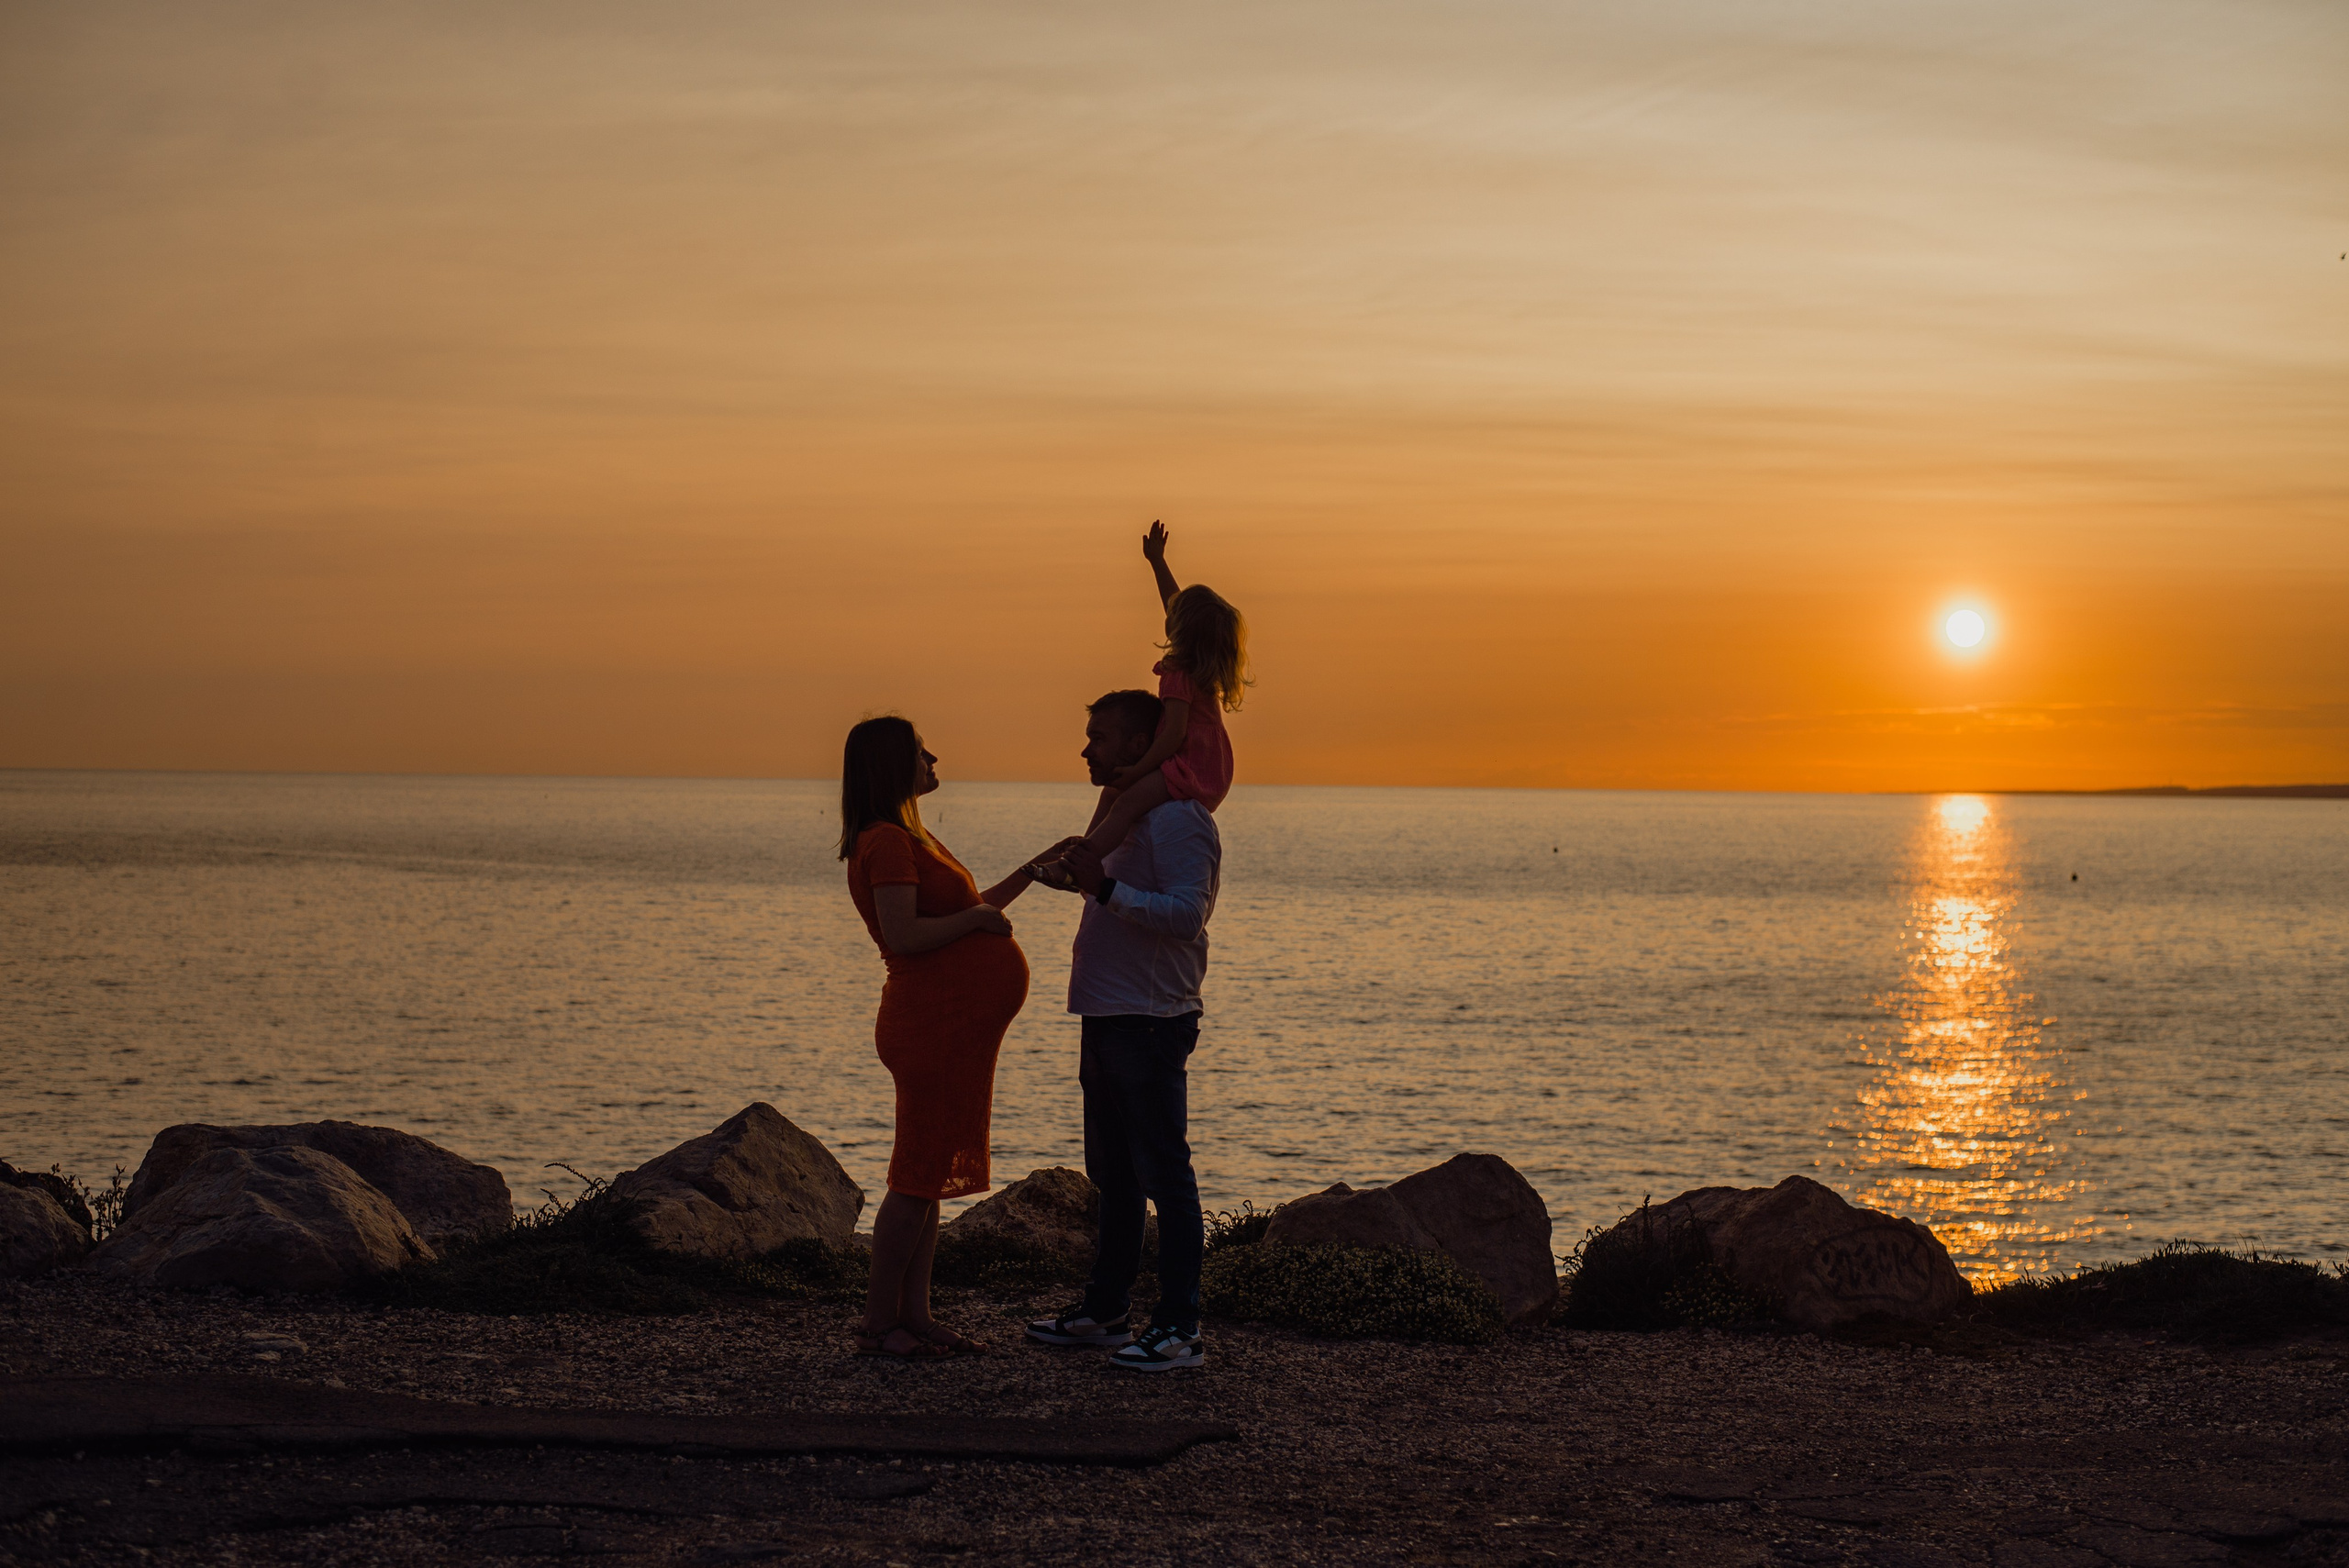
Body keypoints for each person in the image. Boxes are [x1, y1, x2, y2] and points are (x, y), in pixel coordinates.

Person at [1024, 688, 1221, 1372]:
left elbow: (1187, 915)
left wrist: (1103, 889)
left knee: (1165, 1174)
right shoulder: (1123, 818)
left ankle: (1179, 1327)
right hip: (1107, 1013)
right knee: (1112, 1172)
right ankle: (1107, 1310)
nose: (1087, 749)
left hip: (1151, 1018)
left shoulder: (1181, 820)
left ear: (1143, 744)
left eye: (1101, 737)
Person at [839, 715, 1047, 1360]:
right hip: (929, 1025)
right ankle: (879, 1323)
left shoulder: (910, 837)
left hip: (948, 1028)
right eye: (920, 750)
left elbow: (960, 913)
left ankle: (916, 1314)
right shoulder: (889, 843)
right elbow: (905, 936)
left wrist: (1026, 875)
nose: (934, 756)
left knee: (926, 1176)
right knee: (913, 1175)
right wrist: (979, 917)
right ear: (891, 765)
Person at [1027, 522, 1247, 888]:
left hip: (1189, 767)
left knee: (1126, 800)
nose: (1167, 618)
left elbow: (1175, 734)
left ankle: (1075, 867)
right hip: (1206, 765)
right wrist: (1157, 562)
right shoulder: (1197, 667)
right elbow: (1175, 605)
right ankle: (1078, 855)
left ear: (1181, 631)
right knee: (1111, 792)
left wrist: (1139, 770)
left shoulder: (1178, 672)